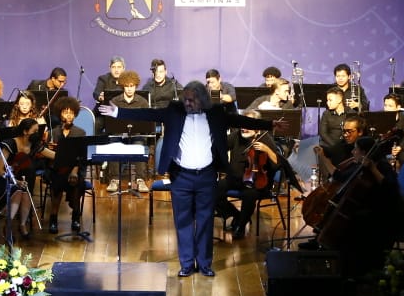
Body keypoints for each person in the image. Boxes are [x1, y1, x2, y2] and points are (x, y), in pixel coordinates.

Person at [101, 81, 284, 277]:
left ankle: (205, 264)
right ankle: (187, 264)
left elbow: (241, 121)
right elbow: (148, 113)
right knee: (183, 221)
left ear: (202, 100)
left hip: (206, 176)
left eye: (191, 99)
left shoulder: (216, 112)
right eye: (185, 99)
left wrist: (269, 125)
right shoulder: (174, 110)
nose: (187, 103)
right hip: (181, 176)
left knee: (205, 221)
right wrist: (118, 112)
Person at [301, 127, 404, 281]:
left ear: (365, 153)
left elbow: (390, 188)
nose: (353, 152)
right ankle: (339, 261)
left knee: (351, 226)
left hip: (389, 218)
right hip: (374, 213)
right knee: (349, 220)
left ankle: (353, 271)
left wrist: (372, 167)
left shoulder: (382, 166)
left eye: (356, 150)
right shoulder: (360, 166)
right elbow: (340, 176)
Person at [216, 110, 284, 240]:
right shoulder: (237, 136)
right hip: (234, 179)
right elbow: (220, 146)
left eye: (248, 125)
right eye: (242, 124)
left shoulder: (265, 139)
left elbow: (277, 164)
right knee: (211, 191)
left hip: (257, 182)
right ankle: (237, 216)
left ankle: (240, 227)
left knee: (249, 195)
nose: (244, 128)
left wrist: (267, 150)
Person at [43, 96, 89, 235]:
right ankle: (53, 218)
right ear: (60, 114)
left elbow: (81, 157)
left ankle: (76, 215)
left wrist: (74, 171)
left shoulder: (80, 133)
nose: (68, 115)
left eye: (71, 113)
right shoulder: (53, 133)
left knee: (74, 182)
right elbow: (47, 156)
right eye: (65, 112)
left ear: (75, 114)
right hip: (57, 168)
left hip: (74, 168)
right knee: (57, 180)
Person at [382, 93, 404, 168]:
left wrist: (399, 147)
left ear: (398, 107)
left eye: (390, 106)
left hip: (401, 145)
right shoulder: (380, 118)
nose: (386, 108)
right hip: (387, 145)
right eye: (385, 105)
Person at [316, 86, 349, 155]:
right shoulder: (326, 114)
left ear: (339, 99)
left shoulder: (350, 113)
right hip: (328, 146)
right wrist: (335, 146)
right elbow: (323, 133)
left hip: (345, 146)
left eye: (330, 100)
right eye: (327, 100)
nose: (328, 103)